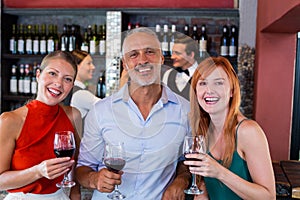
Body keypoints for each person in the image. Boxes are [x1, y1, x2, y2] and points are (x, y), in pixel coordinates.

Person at [75, 27, 192, 199]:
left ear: (161, 58)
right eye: (133, 55)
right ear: (125, 63)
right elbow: (83, 169)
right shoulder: (101, 111)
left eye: (149, 52)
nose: (143, 60)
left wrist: (181, 180)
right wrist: (94, 178)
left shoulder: (185, 111)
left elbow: (187, 162)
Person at [185, 56, 276, 200]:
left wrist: (219, 172)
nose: (209, 90)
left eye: (218, 83)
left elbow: (268, 197)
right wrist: (202, 190)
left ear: (232, 91)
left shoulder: (248, 131)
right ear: (196, 92)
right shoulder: (203, 131)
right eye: (203, 83)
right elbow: (207, 182)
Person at [0, 51, 82, 200]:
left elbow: (76, 165)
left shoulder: (73, 116)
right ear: (38, 75)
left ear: (72, 86)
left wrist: (75, 194)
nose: (58, 83)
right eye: (52, 73)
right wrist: (38, 171)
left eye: (67, 79)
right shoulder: (9, 120)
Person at [63, 49, 100, 119]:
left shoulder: (70, 89)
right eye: (89, 63)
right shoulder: (80, 94)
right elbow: (110, 108)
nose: (93, 67)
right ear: (76, 67)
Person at [162, 35, 200, 100]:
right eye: (172, 53)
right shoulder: (168, 74)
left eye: (177, 53)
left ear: (191, 55)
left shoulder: (204, 75)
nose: (172, 57)